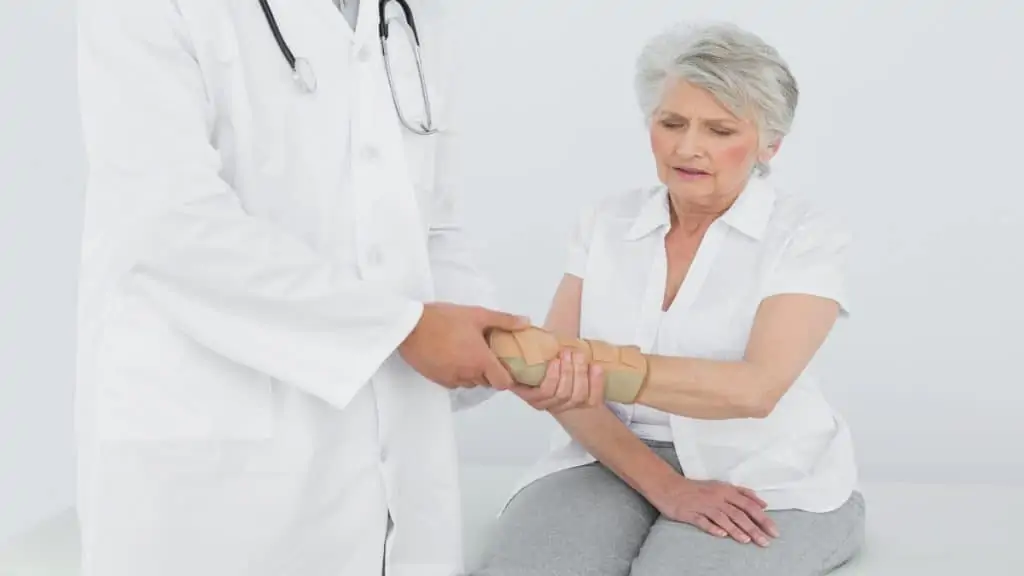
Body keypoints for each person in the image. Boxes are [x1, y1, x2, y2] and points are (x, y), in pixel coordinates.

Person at [73, 1, 582, 575]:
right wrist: (402, 328)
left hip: (390, 470)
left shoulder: (413, 16)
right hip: (212, 463)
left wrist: (496, 348)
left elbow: (430, 229)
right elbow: (165, 226)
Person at [472, 21, 866, 576]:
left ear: (770, 144)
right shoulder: (606, 222)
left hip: (766, 475)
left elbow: (755, 390)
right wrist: (666, 488)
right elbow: (558, 384)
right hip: (606, 455)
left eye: (720, 130)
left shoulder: (805, 235)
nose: (688, 147)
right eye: (671, 122)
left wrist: (578, 363)